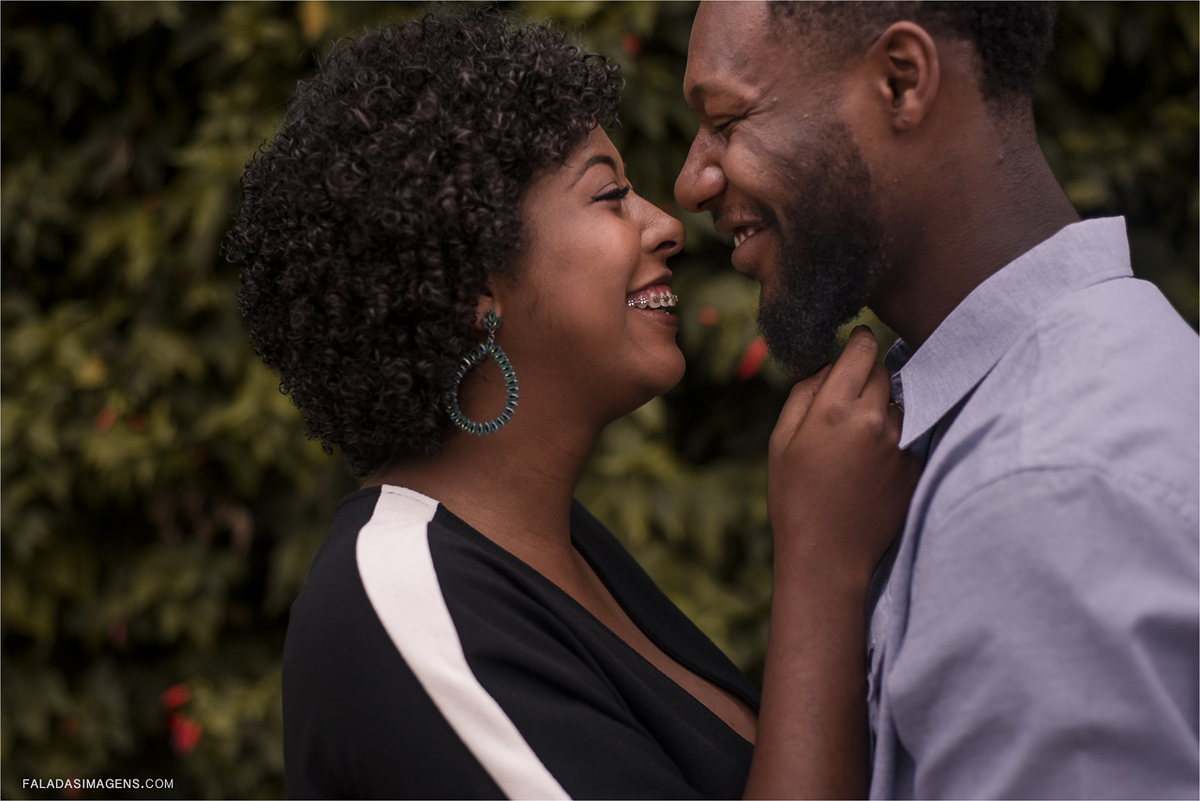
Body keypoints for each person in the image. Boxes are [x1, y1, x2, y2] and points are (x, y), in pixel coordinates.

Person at [226, 11, 917, 799]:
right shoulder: (402, 598)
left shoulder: (561, 547)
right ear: (476, 286)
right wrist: (823, 569)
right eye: (610, 195)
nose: (667, 225)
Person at [676, 1, 1200, 799]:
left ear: (900, 81)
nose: (692, 181)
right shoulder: (1111, 367)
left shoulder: (1036, 493)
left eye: (726, 121)